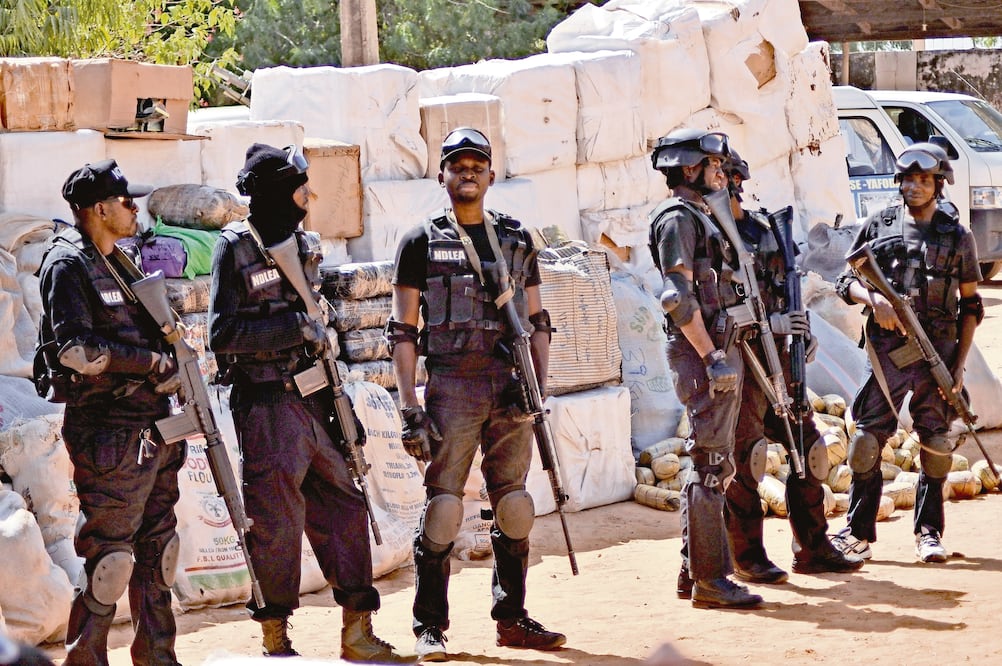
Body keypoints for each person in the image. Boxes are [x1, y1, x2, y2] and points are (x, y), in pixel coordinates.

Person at [207, 143, 403, 662]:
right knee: (275, 523)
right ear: (275, 191)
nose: (306, 196)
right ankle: (276, 640)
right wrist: (291, 326)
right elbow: (221, 334)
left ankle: (357, 632)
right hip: (268, 406)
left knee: (343, 506)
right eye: (298, 187)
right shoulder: (236, 247)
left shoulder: (301, 244)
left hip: (318, 398)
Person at [387, 127, 566, 661]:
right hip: (453, 387)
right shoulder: (419, 241)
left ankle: (511, 618)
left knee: (514, 506)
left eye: (477, 165)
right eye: (457, 165)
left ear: (491, 174)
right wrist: (409, 406)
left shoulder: (515, 238)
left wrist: (536, 386)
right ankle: (429, 627)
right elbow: (402, 330)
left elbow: (538, 320)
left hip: (510, 385)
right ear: (441, 175)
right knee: (443, 509)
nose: (467, 173)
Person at [36, 159, 185, 665]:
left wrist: (173, 367)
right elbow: (75, 350)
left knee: (160, 551)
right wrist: (148, 363)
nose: (135, 208)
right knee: (111, 559)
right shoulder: (67, 265)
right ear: (99, 209)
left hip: (155, 427)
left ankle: (157, 655)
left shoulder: (121, 262)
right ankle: (86, 658)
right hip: (109, 431)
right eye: (126, 202)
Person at [713, 151, 864, 590]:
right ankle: (747, 557)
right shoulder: (707, 238)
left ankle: (812, 547)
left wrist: (801, 333)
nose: (726, 186)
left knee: (809, 452)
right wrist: (769, 326)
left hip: (782, 360)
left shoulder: (762, 232)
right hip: (743, 363)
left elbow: (786, 291)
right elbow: (712, 308)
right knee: (747, 461)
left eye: (729, 177)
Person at [832, 142, 983, 563]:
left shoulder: (957, 236)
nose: (914, 187)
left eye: (924, 179)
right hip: (886, 354)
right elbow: (845, 281)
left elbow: (971, 306)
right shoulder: (877, 225)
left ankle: (929, 533)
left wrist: (958, 364)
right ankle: (858, 533)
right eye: (907, 179)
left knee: (936, 444)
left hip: (939, 352)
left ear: (939, 184)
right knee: (865, 441)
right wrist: (873, 300)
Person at [646, 128, 762, 609]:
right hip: (704, 355)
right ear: (690, 168)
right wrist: (712, 357)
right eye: (714, 165)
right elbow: (676, 296)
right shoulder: (678, 218)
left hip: (719, 348)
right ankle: (711, 581)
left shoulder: (701, 216)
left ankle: (693, 569)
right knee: (711, 466)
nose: (722, 172)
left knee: (719, 462)